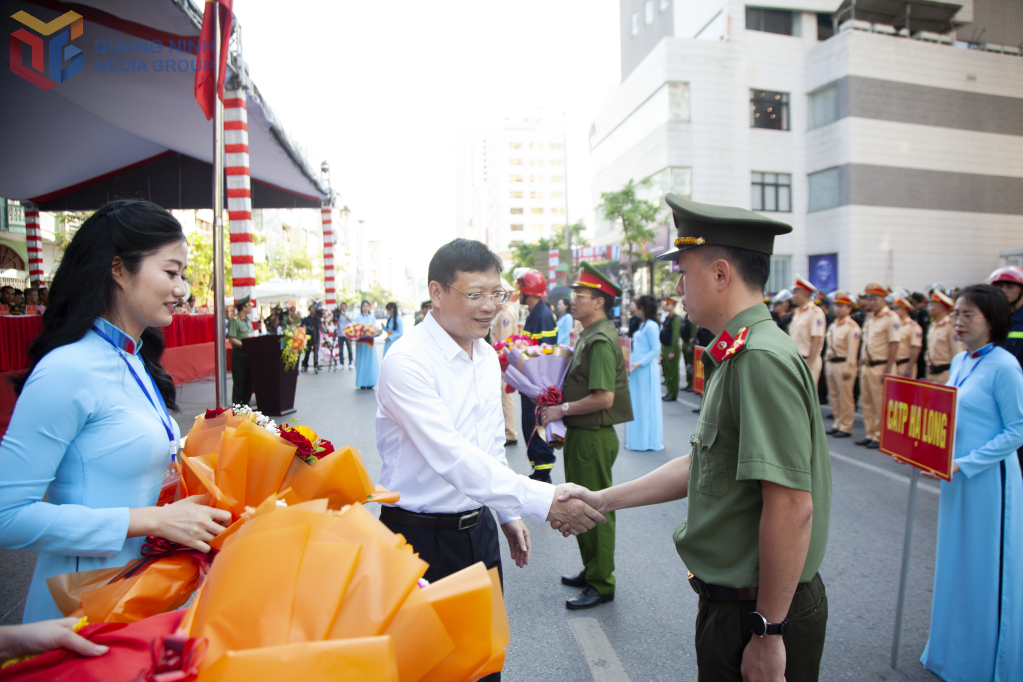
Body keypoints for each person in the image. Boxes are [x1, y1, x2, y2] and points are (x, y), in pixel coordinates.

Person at [558, 195, 831, 680]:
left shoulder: (759, 359)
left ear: (721, 274)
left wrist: (768, 632)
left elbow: (792, 506)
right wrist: (602, 499)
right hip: (739, 604)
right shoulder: (737, 353)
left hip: (758, 610)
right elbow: (702, 464)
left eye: (683, 274)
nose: (678, 288)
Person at [375, 239, 607, 682]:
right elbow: (451, 456)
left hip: (477, 533)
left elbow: (486, 447)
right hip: (417, 540)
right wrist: (545, 499)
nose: (489, 307)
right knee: (426, 669)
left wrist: (505, 514)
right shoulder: (406, 362)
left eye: (496, 294)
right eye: (475, 294)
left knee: (484, 666)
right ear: (437, 292)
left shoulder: (484, 355)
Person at [0, 200, 230, 622]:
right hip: (79, 607)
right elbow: (6, 515)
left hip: (139, 592)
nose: (182, 290)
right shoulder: (68, 368)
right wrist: (153, 522)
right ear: (119, 269)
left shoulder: (135, 359)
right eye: (171, 272)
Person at [918, 284, 1023, 682]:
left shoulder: (1005, 366)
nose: (957, 322)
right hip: (956, 477)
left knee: (986, 569)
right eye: (956, 314)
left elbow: (1018, 429)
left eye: (967, 315)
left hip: (989, 483)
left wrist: (966, 463)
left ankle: (987, 664)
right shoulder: (961, 361)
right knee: (955, 564)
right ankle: (950, 652)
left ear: (992, 321)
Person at [537, 261, 633, 610]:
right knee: (581, 505)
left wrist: (561, 410)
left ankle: (602, 582)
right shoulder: (590, 334)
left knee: (597, 509)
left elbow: (603, 397)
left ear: (600, 302)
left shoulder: (602, 340)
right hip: (583, 434)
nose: (572, 300)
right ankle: (592, 569)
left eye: (581, 295)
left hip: (593, 436)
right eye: (574, 293)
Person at [516, 268, 557, 482]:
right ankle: (538, 468)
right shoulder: (536, 314)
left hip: (538, 384)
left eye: (520, 288)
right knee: (529, 425)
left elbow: (547, 352)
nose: (518, 292)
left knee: (536, 425)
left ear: (527, 290)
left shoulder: (542, 316)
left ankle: (543, 473)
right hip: (530, 382)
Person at [987, 266, 1023, 475]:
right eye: (999, 286)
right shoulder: (995, 320)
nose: (1004, 290)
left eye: (1009, 286)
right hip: (996, 393)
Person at [856, 283, 900, 449]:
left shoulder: (891, 318)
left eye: (875, 299)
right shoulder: (870, 318)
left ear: (883, 300)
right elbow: (865, 345)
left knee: (881, 403)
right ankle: (870, 433)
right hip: (868, 366)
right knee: (867, 402)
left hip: (882, 366)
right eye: (870, 299)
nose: (872, 302)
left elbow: (894, 344)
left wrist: (888, 369)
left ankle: (880, 436)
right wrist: (861, 365)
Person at [625, 295, 663, 452]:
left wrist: (639, 363)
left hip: (644, 369)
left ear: (643, 308)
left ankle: (647, 441)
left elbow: (656, 349)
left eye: (638, 306)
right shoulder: (643, 324)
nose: (636, 309)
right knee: (638, 404)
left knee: (646, 404)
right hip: (636, 369)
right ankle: (638, 440)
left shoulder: (651, 325)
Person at [824, 292, 861, 439]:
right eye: (836, 305)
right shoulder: (834, 325)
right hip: (832, 363)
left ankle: (846, 426)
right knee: (834, 396)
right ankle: (837, 423)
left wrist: (849, 368)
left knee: (845, 397)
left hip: (843, 364)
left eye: (841, 306)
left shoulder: (852, 327)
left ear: (849, 309)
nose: (837, 309)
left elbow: (853, 351)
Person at [491, 295, 520, 446]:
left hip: (503, 360)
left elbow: (504, 340)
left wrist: (502, 361)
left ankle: (510, 432)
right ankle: (509, 431)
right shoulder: (505, 311)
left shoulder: (505, 313)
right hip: (504, 360)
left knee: (505, 396)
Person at [788, 276, 826, 385]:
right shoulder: (798, 312)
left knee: (807, 397)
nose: (793, 296)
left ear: (804, 295)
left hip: (807, 360)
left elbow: (817, 340)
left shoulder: (815, 312)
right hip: (796, 361)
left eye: (796, 293)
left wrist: (809, 364)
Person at [925, 290, 962, 385]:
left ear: (941, 307)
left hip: (945, 375)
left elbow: (957, 352)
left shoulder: (950, 326)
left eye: (932, 305)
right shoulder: (933, 325)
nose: (929, 308)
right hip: (932, 374)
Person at [227, 296, 254, 405]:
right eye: (249, 305)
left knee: (249, 380)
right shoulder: (235, 320)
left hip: (249, 353)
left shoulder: (247, 321)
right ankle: (237, 405)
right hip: (240, 353)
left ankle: (246, 404)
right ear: (243, 307)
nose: (251, 307)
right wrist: (244, 345)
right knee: (239, 380)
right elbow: (232, 339)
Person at [892, 295, 923, 379]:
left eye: (896, 308)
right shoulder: (896, 325)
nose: (894, 311)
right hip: (894, 365)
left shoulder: (913, 327)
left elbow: (915, 349)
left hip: (905, 364)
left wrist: (909, 368)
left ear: (904, 310)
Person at [660, 297, 683, 402]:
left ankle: (673, 394)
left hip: (671, 348)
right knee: (667, 372)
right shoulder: (667, 318)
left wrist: (673, 351)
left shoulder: (676, 319)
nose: (666, 305)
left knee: (672, 372)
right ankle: (669, 392)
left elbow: (675, 336)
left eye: (668, 304)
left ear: (673, 305)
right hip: (665, 347)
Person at [353, 300, 379, 389]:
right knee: (361, 362)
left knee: (370, 363)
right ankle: (362, 382)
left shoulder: (372, 318)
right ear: (361, 308)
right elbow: (353, 329)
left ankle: (370, 382)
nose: (365, 308)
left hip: (370, 344)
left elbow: (375, 328)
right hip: (361, 343)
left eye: (367, 306)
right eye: (364, 306)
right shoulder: (357, 318)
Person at [301, 304, 323, 372]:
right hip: (309, 336)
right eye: (311, 308)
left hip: (316, 335)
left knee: (316, 351)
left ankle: (316, 365)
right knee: (307, 351)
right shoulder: (306, 319)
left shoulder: (317, 319)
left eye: (314, 308)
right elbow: (303, 326)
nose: (312, 310)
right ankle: (305, 364)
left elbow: (321, 327)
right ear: (309, 310)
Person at [337, 302, 354, 369]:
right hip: (340, 334)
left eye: (344, 307)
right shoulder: (338, 315)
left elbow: (350, 320)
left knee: (349, 349)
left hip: (347, 334)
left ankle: (350, 363)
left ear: (346, 308)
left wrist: (344, 315)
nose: (342, 308)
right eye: (341, 307)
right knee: (340, 350)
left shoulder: (348, 314)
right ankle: (341, 363)